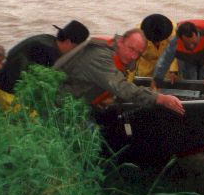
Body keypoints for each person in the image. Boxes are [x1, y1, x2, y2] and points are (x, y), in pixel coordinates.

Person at [56, 28, 185, 152]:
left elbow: (108, 83)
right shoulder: (100, 55)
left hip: (80, 100)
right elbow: (121, 87)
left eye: (138, 53)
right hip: (59, 104)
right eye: (131, 49)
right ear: (120, 41)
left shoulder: (118, 53)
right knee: (90, 139)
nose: (133, 56)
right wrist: (159, 98)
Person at [0, 20, 89, 93]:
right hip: (7, 88)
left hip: (3, 76)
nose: (75, 51)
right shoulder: (49, 52)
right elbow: (46, 81)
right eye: (76, 48)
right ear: (68, 42)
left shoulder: (48, 39)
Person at [151, 19, 204, 90]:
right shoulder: (175, 41)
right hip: (187, 61)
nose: (191, 46)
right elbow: (164, 61)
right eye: (187, 43)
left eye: (194, 43)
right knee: (189, 84)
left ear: (197, 34)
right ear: (180, 39)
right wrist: (156, 80)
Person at [130, 14, 178, 82]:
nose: (157, 43)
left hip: (168, 65)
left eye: (159, 40)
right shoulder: (136, 36)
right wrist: (129, 82)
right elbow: (132, 61)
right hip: (146, 66)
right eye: (154, 41)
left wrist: (174, 70)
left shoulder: (174, 31)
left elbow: (176, 52)